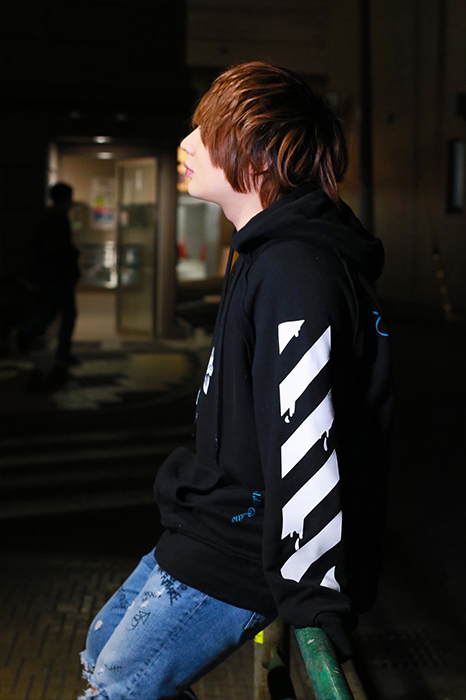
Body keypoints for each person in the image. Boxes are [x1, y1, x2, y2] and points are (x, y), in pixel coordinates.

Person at [79, 61, 393, 700]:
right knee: (99, 649)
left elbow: (310, 438)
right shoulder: (261, 250)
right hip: (209, 522)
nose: (187, 144)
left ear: (260, 158)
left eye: (208, 132)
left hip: (248, 544)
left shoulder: (295, 270)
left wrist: (313, 596)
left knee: (119, 683)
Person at [11, 182, 81, 366]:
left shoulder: (48, 217)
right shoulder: (58, 219)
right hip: (59, 276)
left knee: (50, 312)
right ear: (65, 198)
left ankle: (24, 334)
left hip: (50, 276)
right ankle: (62, 351)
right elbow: (61, 250)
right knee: (68, 313)